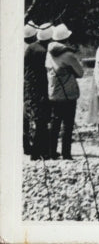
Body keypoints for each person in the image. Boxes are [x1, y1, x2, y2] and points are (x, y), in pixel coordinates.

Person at [45, 23, 84, 160]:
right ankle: (66, 153)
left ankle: (51, 153)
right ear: (66, 39)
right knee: (67, 125)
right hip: (68, 94)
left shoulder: (49, 53)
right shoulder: (68, 55)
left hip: (53, 94)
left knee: (54, 124)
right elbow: (80, 73)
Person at [24, 24, 53, 160]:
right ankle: (39, 152)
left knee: (39, 120)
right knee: (42, 121)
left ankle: (41, 150)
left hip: (31, 88)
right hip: (41, 89)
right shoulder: (43, 51)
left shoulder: (31, 48)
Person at [23, 23, 38, 154]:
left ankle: (25, 144)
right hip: (29, 85)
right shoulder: (33, 50)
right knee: (30, 115)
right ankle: (29, 145)